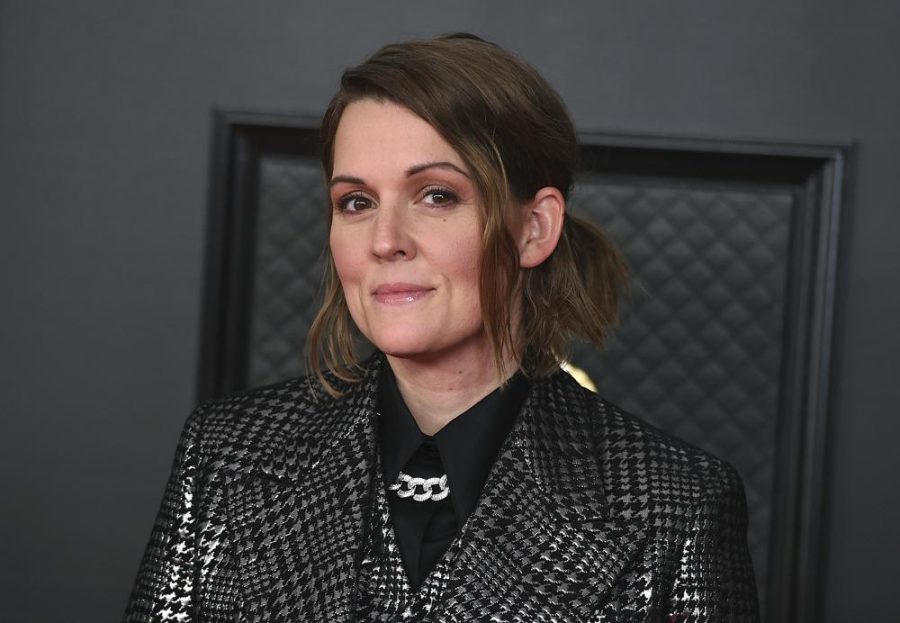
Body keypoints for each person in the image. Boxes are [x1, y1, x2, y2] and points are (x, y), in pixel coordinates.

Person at [124, 33, 759, 622]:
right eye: (357, 202)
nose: (385, 241)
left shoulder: (676, 503)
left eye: (436, 195)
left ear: (534, 227)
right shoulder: (228, 456)